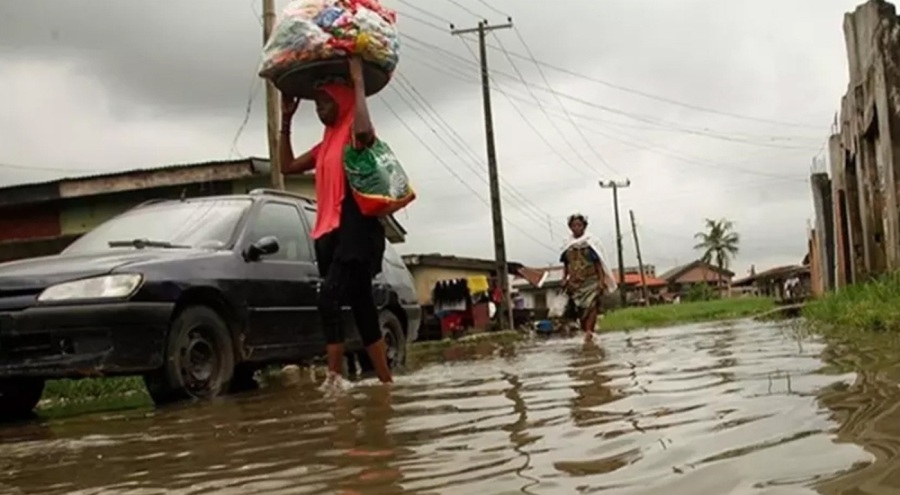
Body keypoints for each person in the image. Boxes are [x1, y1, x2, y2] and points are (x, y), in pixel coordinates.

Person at [278, 56, 392, 385]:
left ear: (341, 102)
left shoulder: (353, 136)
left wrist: (357, 84)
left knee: (328, 298)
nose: (319, 110)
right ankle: (386, 383)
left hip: (356, 232)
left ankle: (333, 380)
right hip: (329, 233)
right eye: (316, 106)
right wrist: (287, 120)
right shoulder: (325, 143)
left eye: (325, 104)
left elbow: (366, 132)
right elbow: (287, 166)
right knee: (361, 305)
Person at [559, 214, 617, 342]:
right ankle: (587, 331)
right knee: (580, 308)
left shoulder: (591, 242)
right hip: (575, 282)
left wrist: (601, 280)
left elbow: (598, 263)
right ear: (570, 227)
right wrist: (564, 278)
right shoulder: (567, 244)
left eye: (579, 225)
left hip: (591, 279)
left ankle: (589, 331)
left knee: (591, 306)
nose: (576, 228)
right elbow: (566, 264)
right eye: (573, 225)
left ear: (584, 226)